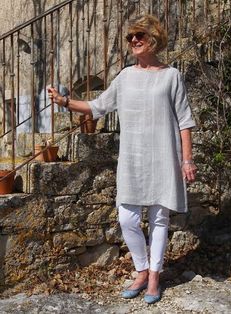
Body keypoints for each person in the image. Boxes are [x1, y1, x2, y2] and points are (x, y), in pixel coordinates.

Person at [48, 14, 197, 304]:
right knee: (127, 218)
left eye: (139, 35)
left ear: (153, 38)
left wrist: (187, 160)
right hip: (132, 159)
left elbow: (184, 121)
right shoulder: (125, 76)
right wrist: (65, 102)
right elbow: (97, 106)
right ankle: (141, 269)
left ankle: (154, 276)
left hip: (164, 157)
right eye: (130, 37)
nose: (134, 41)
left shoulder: (171, 76)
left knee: (159, 218)